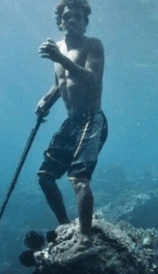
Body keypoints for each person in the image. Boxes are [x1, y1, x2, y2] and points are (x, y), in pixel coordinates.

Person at [35, 0, 106, 256]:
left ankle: (85, 239)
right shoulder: (60, 49)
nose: (73, 20)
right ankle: (66, 226)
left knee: (78, 178)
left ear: (86, 22)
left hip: (91, 118)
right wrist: (46, 101)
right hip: (71, 121)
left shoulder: (92, 45)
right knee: (45, 177)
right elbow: (60, 85)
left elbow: (90, 79)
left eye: (79, 16)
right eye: (68, 16)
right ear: (60, 22)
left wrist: (60, 58)